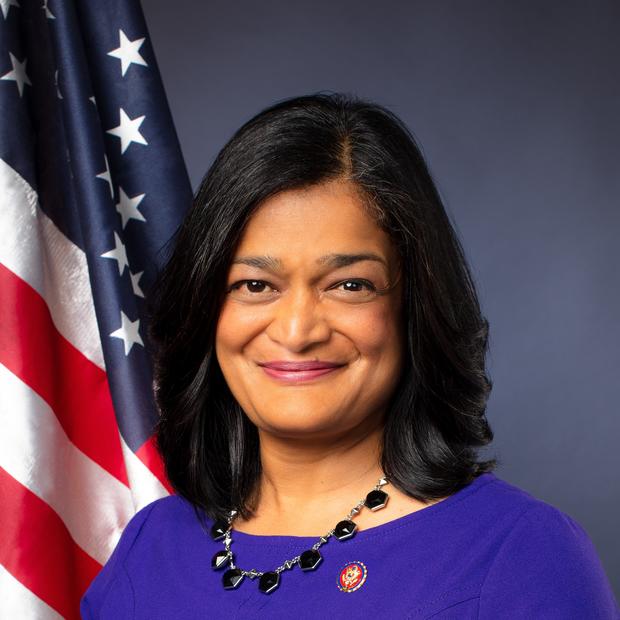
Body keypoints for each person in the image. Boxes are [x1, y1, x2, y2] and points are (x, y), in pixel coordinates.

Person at [80, 93, 619, 619]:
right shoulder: (150, 547)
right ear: (206, 307)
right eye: (255, 285)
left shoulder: (520, 556)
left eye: (350, 284)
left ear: (414, 307)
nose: (296, 331)